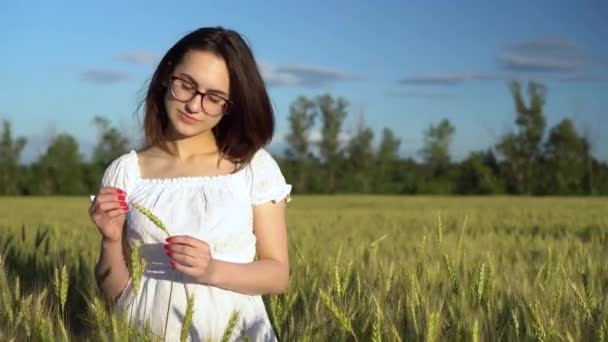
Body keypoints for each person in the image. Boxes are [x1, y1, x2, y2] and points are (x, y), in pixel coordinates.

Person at [88, 26, 291, 341]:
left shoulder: (253, 167)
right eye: (187, 85)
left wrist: (212, 270)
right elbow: (115, 293)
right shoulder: (125, 171)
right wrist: (111, 241)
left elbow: (278, 274)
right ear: (167, 77)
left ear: (230, 105)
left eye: (214, 97)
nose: (194, 106)